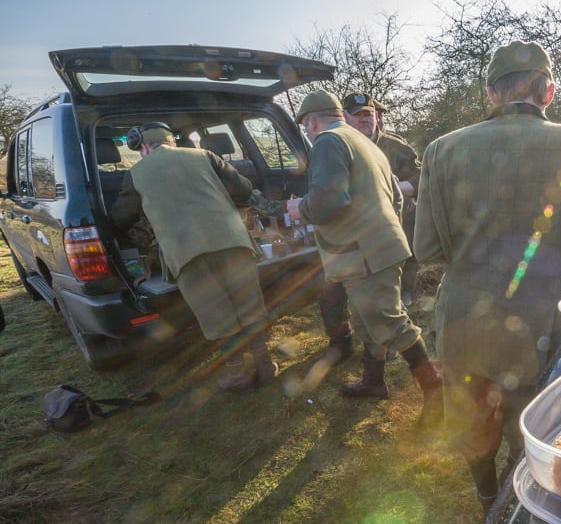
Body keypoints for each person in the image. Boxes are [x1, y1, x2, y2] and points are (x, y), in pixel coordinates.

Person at [414, 40, 561, 514]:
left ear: (491, 94)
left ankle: (486, 501)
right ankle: (517, 512)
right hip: (539, 328)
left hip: (465, 321)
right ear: (549, 93)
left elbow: (427, 250)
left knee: (472, 423)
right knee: (534, 427)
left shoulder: (442, 149)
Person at [286, 90, 442, 426]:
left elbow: (330, 200)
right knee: (366, 321)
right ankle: (374, 381)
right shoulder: (366, 143)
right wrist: (386, 236)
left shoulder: (327, 141)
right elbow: (395, 200)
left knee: (390, 322)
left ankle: (436, 392)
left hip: (365, 252)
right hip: (374, 248)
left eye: (305, 127)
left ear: (311, 121)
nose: (308, 133)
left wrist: (301, 208)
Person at [112, 122, 278, 394]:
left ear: (142, 146)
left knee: (216, 315)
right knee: (250, 305)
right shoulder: (204, 156)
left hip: (187, 253)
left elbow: (122, 216)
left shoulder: (136, 173)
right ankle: (265, 366)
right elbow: (244, 188)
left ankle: (239, 376)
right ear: (171, 141)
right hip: (233, 242)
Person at [343, 92, 422, 306]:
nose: (365, 119)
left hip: (399, 216)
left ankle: (405, 293)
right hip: (360, 221)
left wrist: (401, 188)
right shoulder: (340, 147)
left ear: (376, 116)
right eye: (358, 115)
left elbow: (421, 177)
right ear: (345, 118)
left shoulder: (395, 146)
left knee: (406, 256)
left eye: (368, 114)